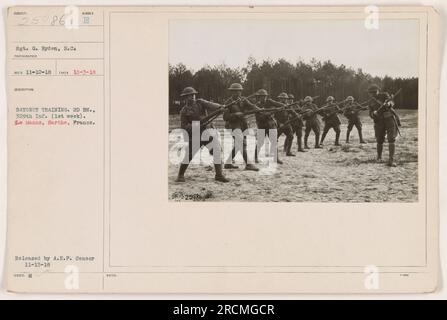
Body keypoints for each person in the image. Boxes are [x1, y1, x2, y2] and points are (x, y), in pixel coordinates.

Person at [175, 86, 229, 182]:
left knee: (216, 150)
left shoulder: (200, 103)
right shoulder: (184, 111)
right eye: (190, 95)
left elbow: (211, 105)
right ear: (185, 97)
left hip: (207, 132)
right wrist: (196, 126)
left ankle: (219, 175)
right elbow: (184, 127)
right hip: (195, 134)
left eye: (193, 95)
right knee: (189, 155)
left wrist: (220, 107)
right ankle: (180, 175)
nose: (192, 97)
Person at [223, 83, 260, 171]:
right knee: (240, 142)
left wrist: (260, 109)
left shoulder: (243, 100)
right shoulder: (228, 103)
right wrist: (236, 114)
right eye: (235, 91)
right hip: (233, 125)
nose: (237, 93)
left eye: (239, 91)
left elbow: (252, 106)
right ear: (231, 92)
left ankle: (228, 163)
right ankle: (248, 164)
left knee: (239, 144)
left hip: (243, 125)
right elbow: (225, 117)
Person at [367, 84, 401, 167]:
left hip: (389, 119)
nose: (374, 94)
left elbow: (392, 102)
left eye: (375, 92)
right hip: (378, 121)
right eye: (372, 93)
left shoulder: (384, 95)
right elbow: (370, 114)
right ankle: (379, 157)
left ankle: (391, 160)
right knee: (379, 139)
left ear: (378, 90)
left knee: (391, 139)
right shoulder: (370, 101)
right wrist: (373, 113)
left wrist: (388, 104)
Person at [253, 89, 283, 164]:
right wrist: (271, 112)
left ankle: (276, 158)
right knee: (260, 142)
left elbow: (278, 104)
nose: (264, 98)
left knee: (274, 142)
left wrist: (283, 106)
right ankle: (256, 158)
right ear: (259, 97)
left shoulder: (269, 102)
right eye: (262, 96)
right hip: (262, 126)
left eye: (265, 96)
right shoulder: (257, 106)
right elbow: (260, 118)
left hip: (271, 125)